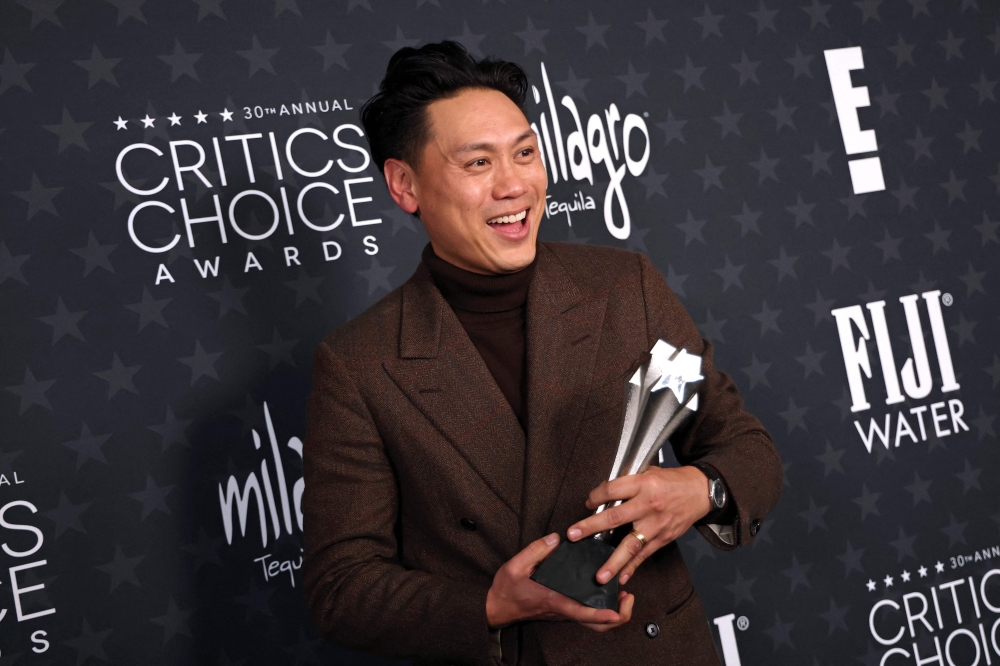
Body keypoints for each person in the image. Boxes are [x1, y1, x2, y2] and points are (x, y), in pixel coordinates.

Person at [302, 41, 782, 666]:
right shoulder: (359, 364)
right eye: (477, 163)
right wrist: (491, 605)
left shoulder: (623, 288)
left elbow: (747, 449)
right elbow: (342, 589)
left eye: (525, 153)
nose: (514, 185)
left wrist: (703, 488)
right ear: (404, 184)